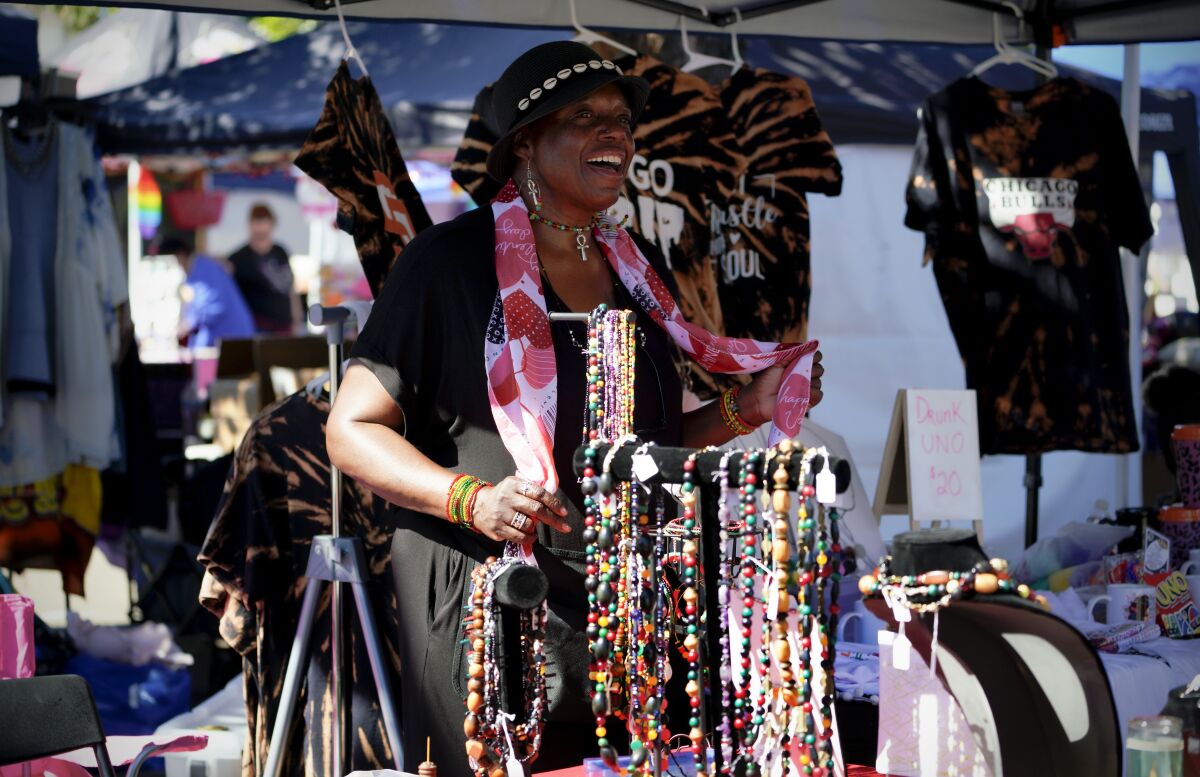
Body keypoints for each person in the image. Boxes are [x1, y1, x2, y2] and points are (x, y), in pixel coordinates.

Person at [326, 41, 825, 773]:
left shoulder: (636, 267)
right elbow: (350, 429)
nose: (616, 134)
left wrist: (744, 408)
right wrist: (472, 498)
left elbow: (642, 447)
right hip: (491, 598)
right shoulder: (447, 263)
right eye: (585, 116)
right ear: (524, 143)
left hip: (624, 603)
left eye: (622, 119)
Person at [162, 237, 255, 350]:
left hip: (233, 338)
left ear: (180, 255)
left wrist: (186, 324)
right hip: (226, 339)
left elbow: (214, 306)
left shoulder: (202, 267)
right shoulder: (198, 268)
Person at [228, 203, 299, 334]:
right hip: (257, 329)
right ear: (249, 226)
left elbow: (290, 289)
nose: (261, 235)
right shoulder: (238, 259)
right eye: (257, 229)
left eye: (264, 231)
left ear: (272, 226)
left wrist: (297, 318)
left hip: (285, 327)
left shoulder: (280, 251)